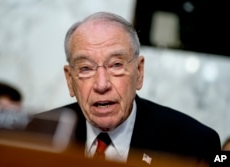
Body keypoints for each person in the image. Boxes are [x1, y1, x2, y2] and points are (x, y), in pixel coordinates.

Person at [27, 12, 221, 166]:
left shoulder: (195, 144)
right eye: (86, 68)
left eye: (116, 65)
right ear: (70, 80)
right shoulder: (35, 136)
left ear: (139, 71)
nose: (101, 85)